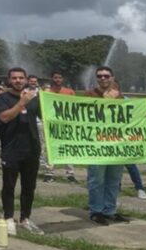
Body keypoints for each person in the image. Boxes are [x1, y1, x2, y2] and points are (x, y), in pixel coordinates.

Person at [0, 68, 44, 235]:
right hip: (11, 149)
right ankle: (9, 218)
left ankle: (25, 218)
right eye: (14, 78)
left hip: (32, 148)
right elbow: (5, 117)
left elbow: (48, 117)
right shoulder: (2, 98)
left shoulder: (35, 99)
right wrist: (22, 102)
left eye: (21, 78)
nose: (18, 81)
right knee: (9, 185)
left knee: (29, 186)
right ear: (9, 80)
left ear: (26, 79)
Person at [86, 66, 130, 225]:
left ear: (112, 77)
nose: (103, 78)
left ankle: (110, 210)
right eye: (100, 76)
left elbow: (131, 115)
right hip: (96, 145)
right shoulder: (89, 95)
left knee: (114, 180)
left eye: (106, 76)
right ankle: (96, 211)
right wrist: (105, 102)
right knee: (96, 180)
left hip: (116, 145)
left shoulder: (121, 97)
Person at [41, 71, 77, 183]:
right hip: (50, 123)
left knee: (68, 147)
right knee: (49, 148)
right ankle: (49, 172)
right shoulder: (46, 92)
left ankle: (70, 173)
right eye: (55, 77)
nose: (58, 80)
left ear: (63, 79)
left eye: (60, 77)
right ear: (52, 78)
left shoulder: (69, 92)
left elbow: (74, 107)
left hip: (66, 123)